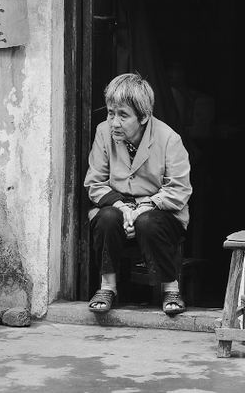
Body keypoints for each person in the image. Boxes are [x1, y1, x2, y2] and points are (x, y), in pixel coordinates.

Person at [84, 73, 192, 315]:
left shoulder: (169, 139)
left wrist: (144, 207)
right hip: (118, 208)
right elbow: (94, 182)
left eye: (123, 115)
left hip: (160, 211)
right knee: (106, 218)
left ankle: (171, 288)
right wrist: (123, 207)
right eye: (111, 113)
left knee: (148, 222)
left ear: (143, 116)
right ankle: (107, 287)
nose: (114, 122)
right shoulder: (103, 132)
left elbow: (179, 189)